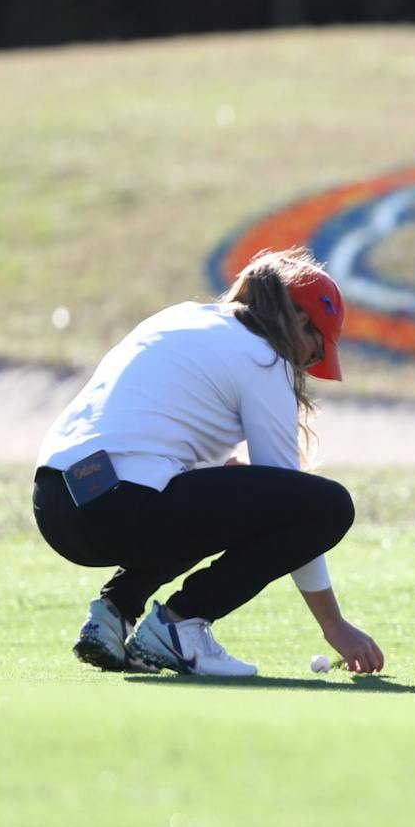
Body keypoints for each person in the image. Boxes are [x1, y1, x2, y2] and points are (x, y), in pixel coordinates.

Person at [31, 247, 384, 677]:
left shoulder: (180, 317)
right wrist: (335, 627)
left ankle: (113, 614)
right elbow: (295, 502)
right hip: (121, 506)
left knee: (225, 488)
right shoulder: (266, 355)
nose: (307, 367)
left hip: (56, 502)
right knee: (328, 506)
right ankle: (181, 625)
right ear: (303, 323)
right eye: (314, 353)